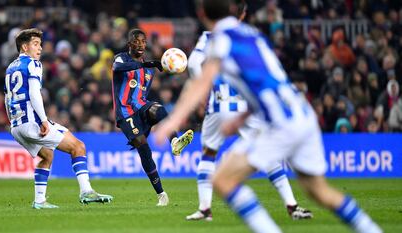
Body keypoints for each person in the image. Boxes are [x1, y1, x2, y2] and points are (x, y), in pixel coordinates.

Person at [155, 1, 382, 232]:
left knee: (223, 179)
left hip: (280, 124)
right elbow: (267, 82)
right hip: (301, 113)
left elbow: (202, 80)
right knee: (320, 192)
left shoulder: (218, 38)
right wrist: (242, 117)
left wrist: (172, 121)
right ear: (238, 12)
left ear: (201, 13)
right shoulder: (253, 35)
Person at [185, 1, 312, 221]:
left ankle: (205, 209)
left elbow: (193, 63)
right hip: (246, 105)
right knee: (267, 153)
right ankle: (292, 205)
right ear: (242, 14)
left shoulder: (210, 36)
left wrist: (204, 88)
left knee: (209, 153)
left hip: (219, 102)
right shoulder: (250, 34)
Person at [4, 28, 113, 209]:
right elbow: (34, 94)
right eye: (35, 44)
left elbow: (8, 98)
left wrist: (13, 123)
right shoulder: (33, 64)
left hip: (16, 127)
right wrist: (43, 120)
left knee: (46, 155)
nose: (40, 48)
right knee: (78, 146)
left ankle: (39, 201)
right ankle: (86, 191)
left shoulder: (10, 67)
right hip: (32, 123)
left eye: (40, 44)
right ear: (24, 47)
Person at [111, 28, 194, 206]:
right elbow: (118, 68)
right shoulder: (121, 58)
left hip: (141, 105)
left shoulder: (149, 71)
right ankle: (161, 194)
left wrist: (150, 65)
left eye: (143, 41)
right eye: (136, 41)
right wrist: (146, 64)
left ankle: (175, 142)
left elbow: (142, 92)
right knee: (143, 147)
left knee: (159, 109)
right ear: (129, 44)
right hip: (125, 113)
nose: (140, 44)